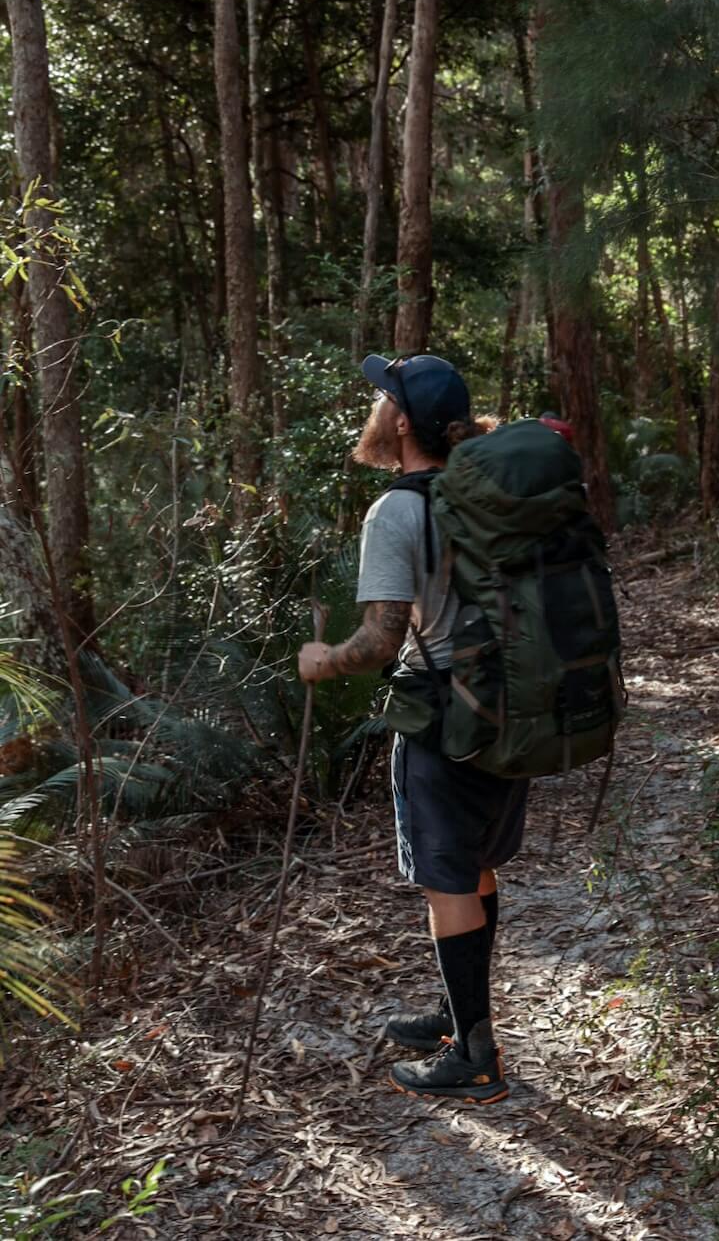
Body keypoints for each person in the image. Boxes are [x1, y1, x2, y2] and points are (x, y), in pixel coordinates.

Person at [298, 354, 528, 1104]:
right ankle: (464, 1020)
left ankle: (476, 1060)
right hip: (508, 703)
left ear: (401, 423)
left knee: (445, 880)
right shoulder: (488, 491)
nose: (373, 411)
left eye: (381, 400)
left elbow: (378, 643)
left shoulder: (397, 510)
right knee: (478, 864)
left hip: (440, 713)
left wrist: (320, 661)